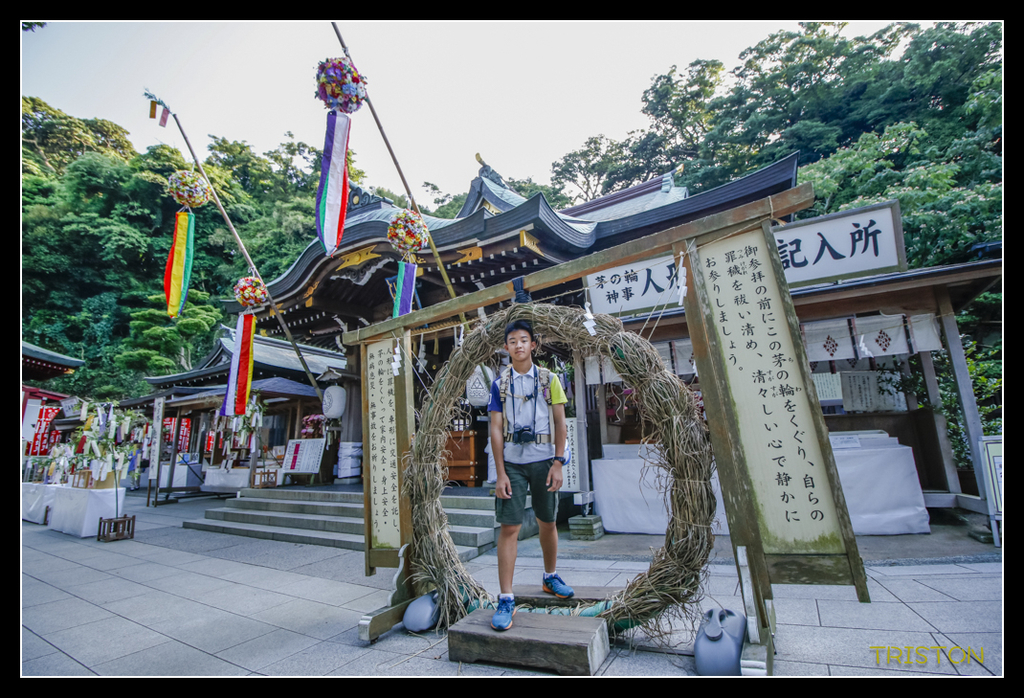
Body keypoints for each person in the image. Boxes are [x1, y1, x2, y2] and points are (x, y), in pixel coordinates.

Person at [487, 319, 574, 631]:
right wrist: (500, 473)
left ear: (533, 345)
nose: (519, 345)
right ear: (506, 347)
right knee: (509, 526)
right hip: (512, 462)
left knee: (547, 521)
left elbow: (561, 423)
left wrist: (558, 462)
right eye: (512, 341)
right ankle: (506, 597)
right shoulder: (499, 384)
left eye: (524, 340)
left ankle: (550, 577)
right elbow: (495, 429)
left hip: (544, 460)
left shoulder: (550, 379)